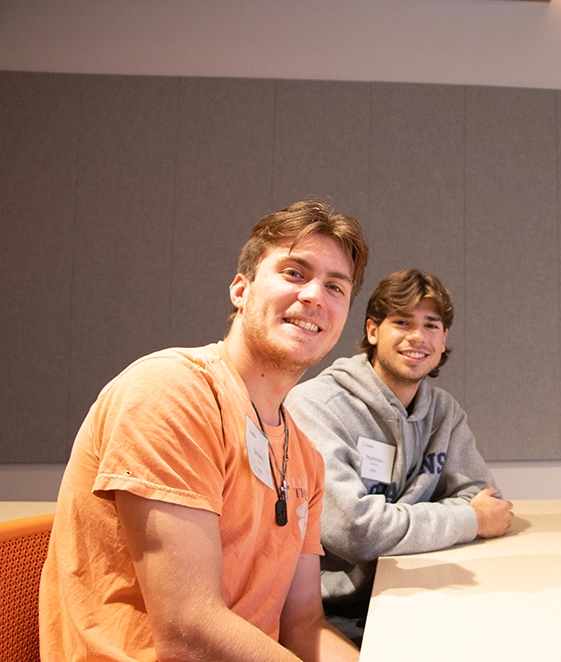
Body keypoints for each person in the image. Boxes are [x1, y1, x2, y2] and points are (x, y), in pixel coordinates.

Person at [39, 200, 369, 662]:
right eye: (295, 273)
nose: (315, 295)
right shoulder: (172, 392)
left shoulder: (306, 458)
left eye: (336, 287)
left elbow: (302, 625)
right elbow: (189, 633)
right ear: (241, 288)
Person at [286, 268, 513, 644]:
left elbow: (483, 499)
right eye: (402, 322)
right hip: (330, 611)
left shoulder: (444, 412)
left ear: (444, 340)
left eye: (431, 325)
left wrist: (400, 523)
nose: (417, 337)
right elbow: (355, 530)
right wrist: (467, 521)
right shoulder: (316, 406)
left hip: (417, 586)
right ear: (373, 331)